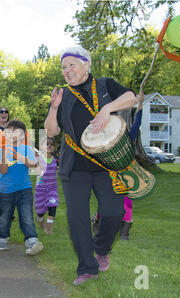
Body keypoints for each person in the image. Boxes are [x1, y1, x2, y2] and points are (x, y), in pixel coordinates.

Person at [44, 46, 137, 285]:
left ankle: (102, 249)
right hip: (74, 167)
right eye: (64, 67)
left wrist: (107, 108)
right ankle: (87, 267)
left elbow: (131, 97)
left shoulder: (105, 85)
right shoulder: (62, 95)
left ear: (86, 64)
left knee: (114, 213)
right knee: (78, 219)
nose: (67, 71)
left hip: (109, 164)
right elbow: (52, 131)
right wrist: (54, 108)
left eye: (71, 65)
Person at [92, 92, 144, 240]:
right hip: (109, 174)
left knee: (127, 202)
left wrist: (140, 105)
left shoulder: (130, 136)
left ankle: (124, 232)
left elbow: (137, 123)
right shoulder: (107, 139)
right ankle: (98, 221)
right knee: (106, 201)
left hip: (126, 173)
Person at [0, 119, 44, 255]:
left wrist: (20, 157)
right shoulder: (1, 151)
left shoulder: (26, 149)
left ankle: (32, 241)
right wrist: (5, 155)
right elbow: (3, 171)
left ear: (23, 135)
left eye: (15, 131)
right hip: (5, 190)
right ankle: (2, 239)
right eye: (8, 131)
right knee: (5, 216)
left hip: (24, 189)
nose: (11, 134)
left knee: (26, 216)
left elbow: (34, 165)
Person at [34, 136, 59, 235]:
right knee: (40, 212)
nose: (49, 145)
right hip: (40, 189)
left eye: (51, 144)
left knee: (53, 205)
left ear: (54, 146)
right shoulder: (39, 158)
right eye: (46, 144)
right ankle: (39, 219)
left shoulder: (56, 158)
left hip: (52, 188)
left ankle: (49, 229)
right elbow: (36, 171)